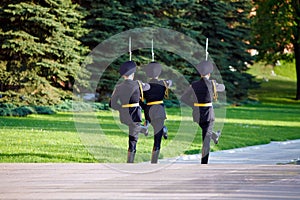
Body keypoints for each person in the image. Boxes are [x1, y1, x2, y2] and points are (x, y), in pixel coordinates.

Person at [181, 60, 225, 164]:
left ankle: (214, 135)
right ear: (209, 73)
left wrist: (194, 105)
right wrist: (215, 84)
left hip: (197, 114)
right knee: (206, 140)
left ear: (200, 73)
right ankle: (204, 163)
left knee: (206, 132)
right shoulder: (212, 84)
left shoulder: (194, 85)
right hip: (208, 114)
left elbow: (183, 98)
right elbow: (223, 88)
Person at [109, 60, 150, 163]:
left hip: (124, 116)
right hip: (135, 113)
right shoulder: (137, 84)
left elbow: (112, 104)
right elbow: (148, 87)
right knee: (133, 138)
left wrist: (121, 108)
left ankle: (143, 129)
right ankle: (143, 129)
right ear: (133, 74)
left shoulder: (118, 87)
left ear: (123, 75)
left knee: (133, 132)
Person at [142, 62, 172, 163]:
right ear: (159, 72)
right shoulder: (164, 83)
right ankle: (154, 162)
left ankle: (147, 125)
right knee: (157, 139)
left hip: (149, 111)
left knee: (149, 124)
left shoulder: (144, 86)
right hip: (159, 111)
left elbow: (139, 99)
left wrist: (145, 107)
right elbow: (170, 82)